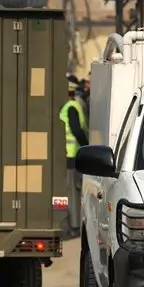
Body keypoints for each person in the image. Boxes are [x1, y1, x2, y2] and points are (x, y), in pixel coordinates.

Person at [59, 82, 89, 239]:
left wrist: (86, 145)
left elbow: (76, 130)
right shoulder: (74, 106)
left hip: (71, 156)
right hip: (73, 155)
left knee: (71, 193)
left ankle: (75, 226)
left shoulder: (70, 107)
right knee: (73, 192)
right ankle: (74, 225)